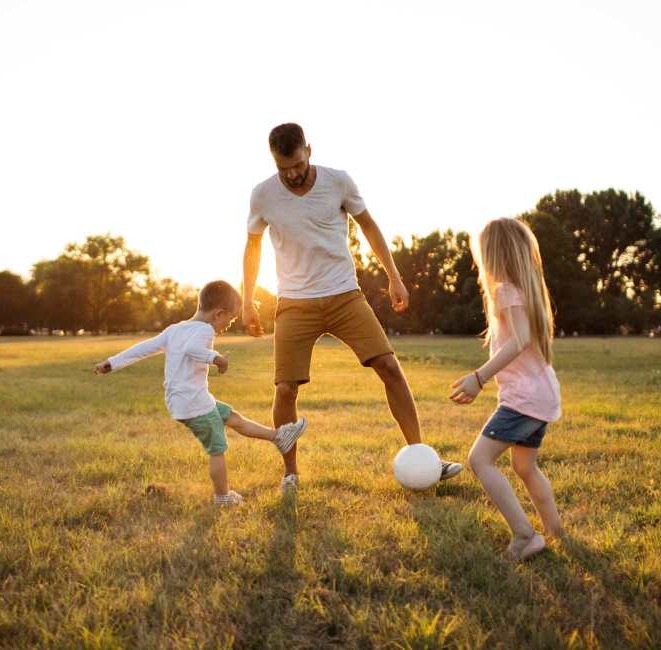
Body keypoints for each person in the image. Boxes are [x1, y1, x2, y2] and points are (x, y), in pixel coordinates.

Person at [242, 122, 463, 493]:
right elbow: (252, 247)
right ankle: (290, 473)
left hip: (345, 293)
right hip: (295, 302)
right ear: (274, 163)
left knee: (389, 366)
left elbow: (369, 226)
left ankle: (422, 455)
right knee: (284, 390)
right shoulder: (263, 195)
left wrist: (394, 275)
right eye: (285, 169)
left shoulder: (338, 181)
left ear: (309, 150)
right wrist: (246, 300)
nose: (293, 175)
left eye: (297, 165)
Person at [94, 280, 307, 506]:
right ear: (218, 314)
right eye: (231, 318)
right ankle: (223, 497)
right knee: (217, 448)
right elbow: (193, 350)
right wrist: (216, 358)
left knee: (232, 417)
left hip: (184, 401)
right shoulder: (205, 330)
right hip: (194, 403)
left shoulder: (174, 330)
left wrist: (112, 363)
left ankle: (279, 437)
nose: (229, 324)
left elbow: (143, 348)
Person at [448, 218, 563, 560]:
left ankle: (525, 536)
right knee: (525, 467)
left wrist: (479, 378)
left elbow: (518, 341)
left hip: (524, 400)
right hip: (541, 396)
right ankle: (556, 531)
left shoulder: (506, 291)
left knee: (479, 460)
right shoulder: (525, 290)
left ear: (492, 255)